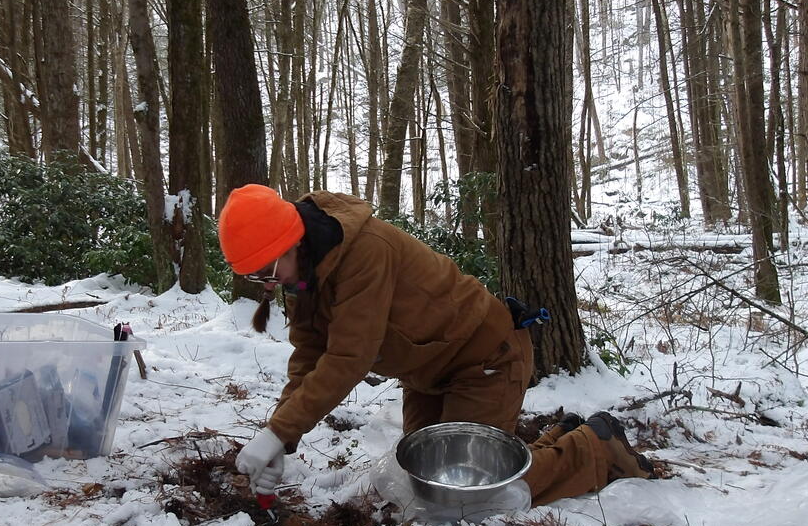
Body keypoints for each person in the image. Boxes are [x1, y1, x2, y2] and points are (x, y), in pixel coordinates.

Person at [217, 184, 654, 508]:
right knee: (423, 484)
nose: (270, 283)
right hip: (428, 375)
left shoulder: (365, 253)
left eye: (269, 269)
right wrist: (281, 438)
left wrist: (278, 431)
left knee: (469, 497)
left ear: (291, 240)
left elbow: (349, 357)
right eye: (258, 278)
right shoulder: (305, 270)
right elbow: (308, 358)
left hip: (484, 360)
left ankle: (595, 449)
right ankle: (560, 437)